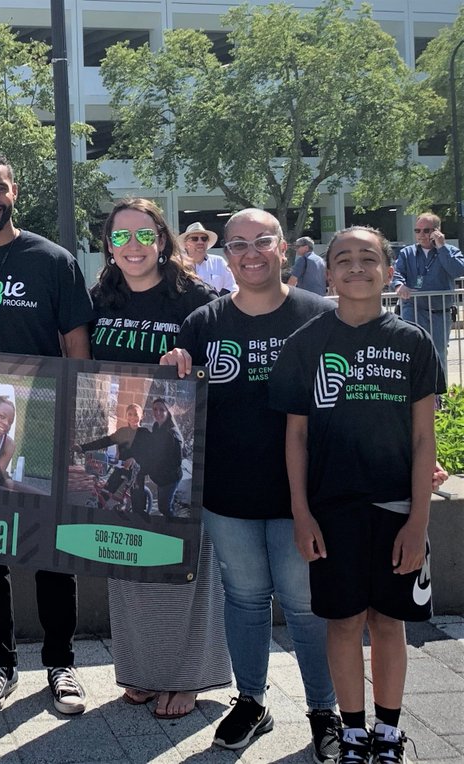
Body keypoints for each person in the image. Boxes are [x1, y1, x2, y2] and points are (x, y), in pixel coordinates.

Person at [161, 208, 343, 762]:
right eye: (238, 244)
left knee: (307, 605)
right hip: (227, 491)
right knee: (243, 600)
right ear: (227, 256)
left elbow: (351, 400)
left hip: (303, 497)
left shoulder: (320, 316)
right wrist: (170, 370)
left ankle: (324, 709)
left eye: (262, 241)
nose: (250, 252)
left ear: (283, 248)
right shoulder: (204, 323)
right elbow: (174, 406)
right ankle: (252, 700)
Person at [271, 225, 442, 764]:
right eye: (343, 259)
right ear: (328, 272)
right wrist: (301, 513)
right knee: (343, 621)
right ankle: (352, 732)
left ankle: (389, 734)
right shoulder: (307, 343)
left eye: (369, 258)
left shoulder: (414, 341)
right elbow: (294, 437)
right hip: (332, 509)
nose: (356, 268)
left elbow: (423, 438)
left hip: (397, 510)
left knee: (389, 623)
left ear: (390, 272)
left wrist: (419, 521)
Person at [0, 152, 93, 716]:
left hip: (45, 423)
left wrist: (76, 426)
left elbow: (76, 345)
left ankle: (62, 663)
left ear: (14, 193)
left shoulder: (53, 260)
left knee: (55, 551)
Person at [86, 197, 228, 720]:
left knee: (187, 569)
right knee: (131, 569)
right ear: (108, 246)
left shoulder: (198, 299)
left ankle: (188, 677)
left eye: (144, 235)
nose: (133, 247)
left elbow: (226, 369)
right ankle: (142, 673)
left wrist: (197, 364)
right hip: (131, 452)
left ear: (163, 240)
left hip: (183, 453)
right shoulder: (101, 297)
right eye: (120, 237)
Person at [392, 212, 463, 373]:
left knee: (438, 353)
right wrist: (398, 285)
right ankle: (413, 394)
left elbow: (457, 271)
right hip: (413, 309)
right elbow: (397, 274)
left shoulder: (450, 250)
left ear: (437, 231)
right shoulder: (407, 252)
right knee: (411, 352)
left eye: (426, 230)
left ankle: (438, 395)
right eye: (417, 231)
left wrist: (442, 247)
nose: (421, 235)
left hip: (440, 312)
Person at [181, 222, 236, 294]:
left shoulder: (219, 262)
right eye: (195, 239)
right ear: (186, 244)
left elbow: (232, 288)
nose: (200, 242)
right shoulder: (178, 264)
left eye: (204, 238)